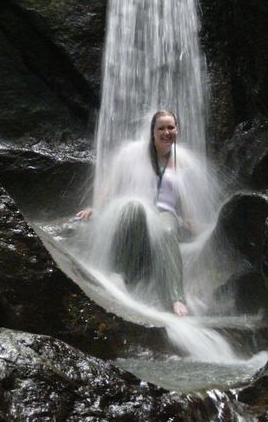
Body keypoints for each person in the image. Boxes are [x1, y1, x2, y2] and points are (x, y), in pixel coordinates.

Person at [77, 110, 189, 316]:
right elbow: (110, 185)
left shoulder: (181, 160)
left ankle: (175, 298)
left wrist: (195, 224)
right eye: (161, 128)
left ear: (177, 130)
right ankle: (119, 276)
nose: (166, 132)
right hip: (137, 210)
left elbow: (186, 197)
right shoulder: (132, 153)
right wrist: (96, 208)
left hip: (165, 214)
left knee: (166, 230)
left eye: (171, 127)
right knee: (134, 206)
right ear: (152, 132)